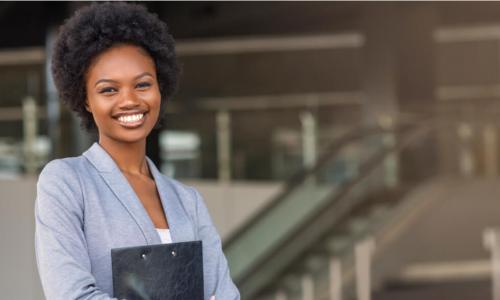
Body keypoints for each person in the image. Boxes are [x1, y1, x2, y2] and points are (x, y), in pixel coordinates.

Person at [34, 2, 240, 299]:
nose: (129, 100)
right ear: (86, 100)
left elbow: (225, 294)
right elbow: (72, 295)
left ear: (160, 88)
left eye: (142, 84)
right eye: (108, 89)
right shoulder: (66, 182)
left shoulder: (187, 201)